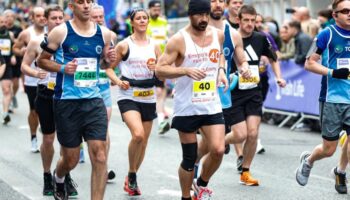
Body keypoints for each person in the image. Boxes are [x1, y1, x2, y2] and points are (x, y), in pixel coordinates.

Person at [37, 0, 112, 199]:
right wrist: (63, 68)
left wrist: (108, 59)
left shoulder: (104, 34)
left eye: (89, 1)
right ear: (72, 6)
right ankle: (59, 177)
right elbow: (41, 61)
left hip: (94, 100)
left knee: (100, 154)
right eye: (81, 2)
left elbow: (104, 64)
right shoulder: (60, 32)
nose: (86, 6)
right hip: (66, 102)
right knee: (70, 159)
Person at [156, 0, 229, 199]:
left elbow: (220, 54)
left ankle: (201, 184)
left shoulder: (218, 35)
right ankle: (185, 196)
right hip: (186, 106)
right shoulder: (178, 40)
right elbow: (160, 69)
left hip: (210, 104)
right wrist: (185, 70)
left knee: (218, 149)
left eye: (207, 15)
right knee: (189, 158)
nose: (204, 19)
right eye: (200, 15)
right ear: (190, 15)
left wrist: (221, 70)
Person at [20, 5, 79, 197]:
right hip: (46, 93)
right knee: (48, 138)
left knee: (67, 139)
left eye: (61, 18)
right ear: (46, 20)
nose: (58, 21)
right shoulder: (37, 41)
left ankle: (63, 176)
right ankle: (47, 176)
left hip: (66, 93)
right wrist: (36, 73)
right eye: (53, 18)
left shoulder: (69, 39)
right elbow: (24, 66)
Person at [224, 5, 286, 186]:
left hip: (253, 91)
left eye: (253, 20)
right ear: (239, 20)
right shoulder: (230, 38)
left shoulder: (261, 38)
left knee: (252, 133)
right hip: (234, 93)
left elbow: (274, 58)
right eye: (246, 20)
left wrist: (279, 77)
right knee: (240, 134)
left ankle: (245, 171)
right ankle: (222, 141)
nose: (250, 24)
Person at [296, 0, 350, 194]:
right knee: (329, 149)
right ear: (334, 15)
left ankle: (340, 171)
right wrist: (333, 73)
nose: (349, 14)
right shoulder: (325, 35)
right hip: (332, 99)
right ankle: (309, 160)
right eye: (345, 11)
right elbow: (309, 64)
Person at [106, 8, 160, 196]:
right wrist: (119, 81)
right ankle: (131, 173)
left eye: (145, 18)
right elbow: (108, 69)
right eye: (139, 18)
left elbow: (162, 72)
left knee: (143, 142)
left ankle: (132, 177)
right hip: (128, 95)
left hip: (148, 95)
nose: (143, 21)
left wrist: (157, 68)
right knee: (138, 135)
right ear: (132, 22)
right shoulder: (124, 45)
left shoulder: (155, 46)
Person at [193, 0, 250, 179]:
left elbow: (241, 60)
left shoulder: (232, 34)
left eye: (221, 1)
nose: (217, 5)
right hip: (202, 94)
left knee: (241, 134)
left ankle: (198, 160)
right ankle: (195, 168)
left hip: (225, 93)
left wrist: (245, 68)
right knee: (210, 144)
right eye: (212, 1)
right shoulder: (196, 31)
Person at [89, 2, 117, 182]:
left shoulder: (110, 36)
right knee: (87, 131)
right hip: (85, 88)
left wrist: (116, 78)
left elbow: (112, 62)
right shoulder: (81, 35)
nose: (99, 19)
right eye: (95, 17)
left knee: (103, 129)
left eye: (101, 16)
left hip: (104, 87)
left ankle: (102, 167)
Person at [13, 6, 46, 152]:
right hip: (32, 79)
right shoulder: (26, 34)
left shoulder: (53, 33)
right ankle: (33, 137)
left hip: (49, 78)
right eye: (37, 16)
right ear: (32, 18)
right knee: (34, 110)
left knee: (49, 111)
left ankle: (46, 129)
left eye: (43, 15)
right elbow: (15, 47)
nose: (41, 18)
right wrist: (21, 51)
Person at [147, 0, 171, 135]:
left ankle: (161, 115)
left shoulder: (164, 22)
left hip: (163, 61)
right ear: (150, 9)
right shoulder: (145, 22)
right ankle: (160, 117)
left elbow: (167, 40)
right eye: (154, 9)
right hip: (149, 62)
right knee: (158, 92)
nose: (157, 11)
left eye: (158, 9)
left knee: (161, 91)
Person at [4, 9, 23, 109]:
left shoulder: (18, 29)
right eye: (7, 16)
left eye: (12, 16)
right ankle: (8, 99)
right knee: (6, 84)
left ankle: (13, 95)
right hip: (4, 59)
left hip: (15, 58)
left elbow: (22, 43)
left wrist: (13, 39)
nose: (9, 18)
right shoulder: (2, 28)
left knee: (15, 82)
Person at [0, 14, 15, 125]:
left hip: (7, 64)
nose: (3, 24)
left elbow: (13, 48)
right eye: (1, 22)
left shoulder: (10, 34)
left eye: (5, 22)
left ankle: (5, 114)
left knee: (6, 89)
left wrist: (13, 55)